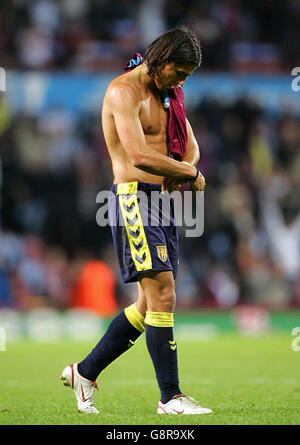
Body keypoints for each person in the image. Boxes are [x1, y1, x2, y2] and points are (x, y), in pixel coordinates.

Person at [61, 26, 212, 415]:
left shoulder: (170, 94)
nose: (182, 82)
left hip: (162, 203)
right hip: (133, 201)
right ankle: (170, 396)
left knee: (148, 305)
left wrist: (184, 170)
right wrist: (189, 175)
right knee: (164, 294)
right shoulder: (122, 92)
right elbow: (138, 155)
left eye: (187, 77)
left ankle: (85, 372)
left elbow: (191, 147)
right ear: (160, 61)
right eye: (179, 73)